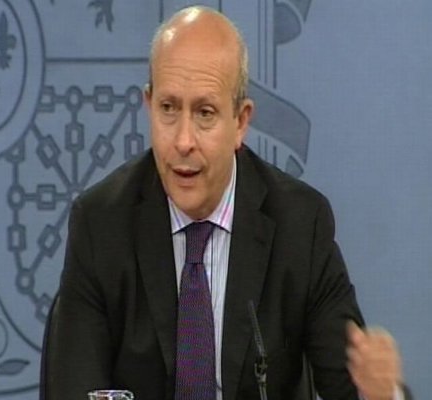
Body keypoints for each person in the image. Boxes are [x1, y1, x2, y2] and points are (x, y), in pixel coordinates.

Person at [42, 6, 411, 400]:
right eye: (168, 108)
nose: (183, 141)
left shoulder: (300, 226)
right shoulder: (101, 225)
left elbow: (351, 388)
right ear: (148, 104)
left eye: (205, 113)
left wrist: (382, 394)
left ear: (240, 121)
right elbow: (74, 387)